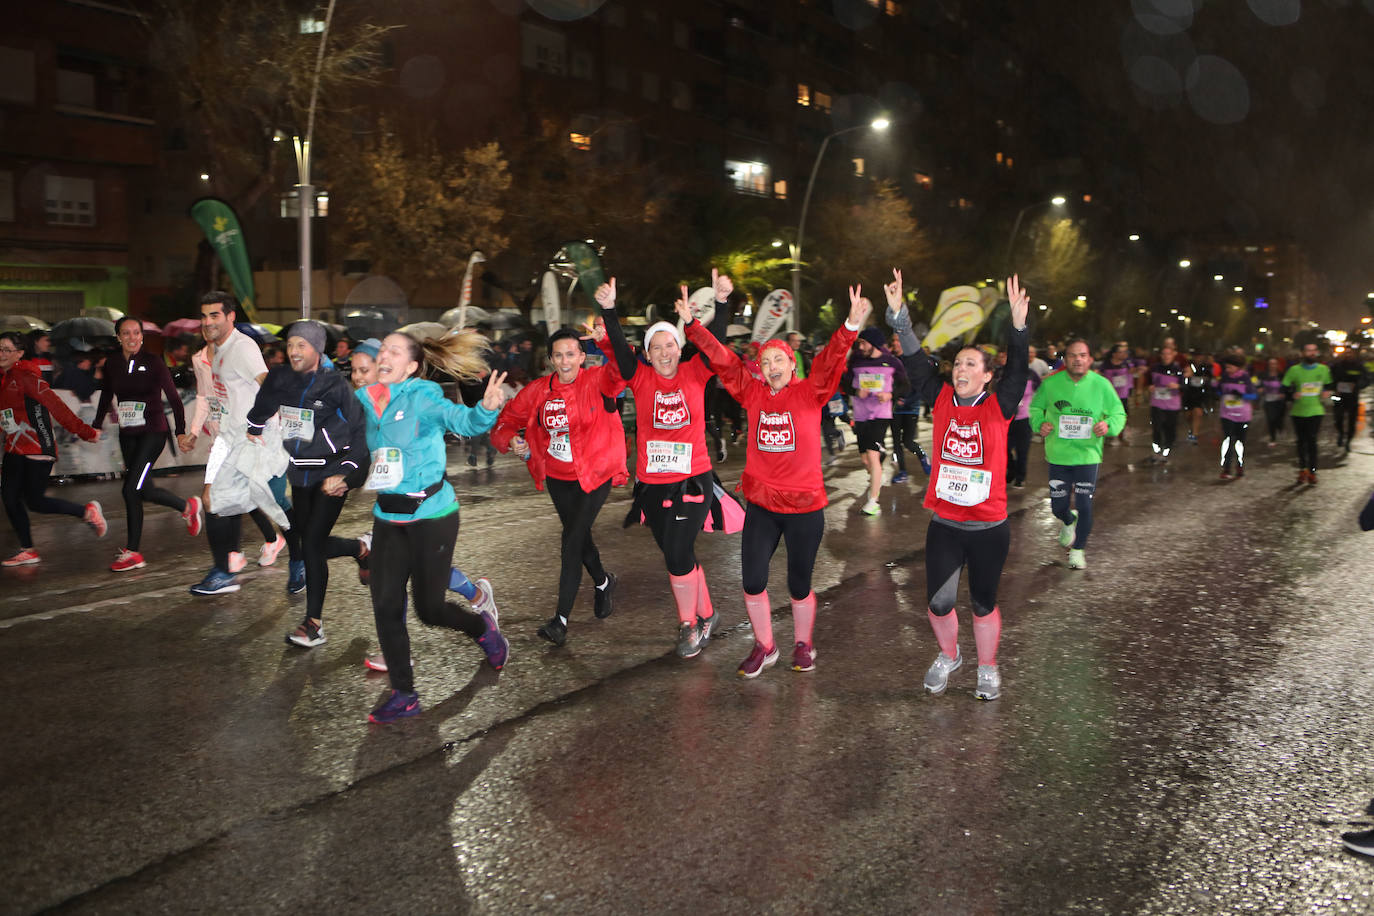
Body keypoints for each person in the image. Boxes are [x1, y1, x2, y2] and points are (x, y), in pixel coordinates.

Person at [682, 283, 865, 676]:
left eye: (778, 360)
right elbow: (724, 361)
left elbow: (832, 360)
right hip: (762, 506)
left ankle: (804, 643)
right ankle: (765, 646)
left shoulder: (811, 392)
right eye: (765, 363)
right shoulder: (752, 394)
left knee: (799, 585)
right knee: (752, 581)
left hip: (804, 508)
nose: (771, 367)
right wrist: (693, 327)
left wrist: (849, 326)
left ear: (792, 364)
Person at [888, 270, 1029, 701]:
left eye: (971, 364)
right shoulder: (943, 398)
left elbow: (1019, 369)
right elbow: (914, 362)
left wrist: (1018, 328)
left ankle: (987, 667)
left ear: (988, 376)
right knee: (938, 603)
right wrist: (899, 318)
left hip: (988, 526)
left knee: (983, 604)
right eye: (958, 363)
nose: (961, 368)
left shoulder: (1000, 403)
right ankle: (949, 655)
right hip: (947, 523)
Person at [358, 331, 510, 723]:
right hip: (388, 518)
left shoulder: (422, 396)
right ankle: (404, 694)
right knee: (386, 604)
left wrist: (486, 411)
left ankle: (484, 630)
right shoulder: (366, 398)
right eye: (382, 349)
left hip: (433, 515)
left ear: (410, 366)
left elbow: (461, 419)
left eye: (394, 350)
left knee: (429, 609)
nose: (384, 354)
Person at [599, 271, 732, 659]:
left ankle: (689, 624)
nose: (663, 352)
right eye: (655, 347)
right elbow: (621, 351)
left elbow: (716, 345)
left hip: (693, 480)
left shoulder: (695, 371)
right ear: (648, 352)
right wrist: (609, 310)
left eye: (669, 345)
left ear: (679, 347)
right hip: (652, 485)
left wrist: (721, 303)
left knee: (676, 555)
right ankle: (708, 614)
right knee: (678, 554)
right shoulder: (638, 377)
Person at [491, 326, 626, 646]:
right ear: (550, 359)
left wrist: (605, 337)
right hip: (559, 477)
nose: (565, 361)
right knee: (579, 538)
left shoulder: (597, 380)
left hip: (595, 472)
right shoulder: (538, 390)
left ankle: (560, 621)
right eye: (558, 355)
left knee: (571, 540)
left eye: (571, 354)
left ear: (582, 356)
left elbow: (624, 367)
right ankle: (604, 582)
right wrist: (512, 440)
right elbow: (504, 423)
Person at [246, 321, 370, 648]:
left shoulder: (335, 386)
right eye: (290, 345)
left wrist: (346, 475)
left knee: (312, 543)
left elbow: (360, 436)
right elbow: (264, 403)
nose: (293, 351)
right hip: (299, 473)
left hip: (331, 474)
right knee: (307, 541)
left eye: (301, 345)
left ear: (317, 349)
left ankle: (313, 623)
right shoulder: (281, 378)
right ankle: (360, 548)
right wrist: (254, 426)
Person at [180, 292, 300, 595]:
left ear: (231, 316)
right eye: (204, 316)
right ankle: (224, 571)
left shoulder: (242, 347)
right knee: (214, 502)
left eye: (215, 315)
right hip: (234, 440)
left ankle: (302, 559)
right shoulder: (217, 352)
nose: (207, 322)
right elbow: (217, 397)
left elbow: (268, 385)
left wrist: (268, 427)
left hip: (258, 440)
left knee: (276, 506)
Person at [92, 316, 202, 571]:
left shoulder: (153, 363)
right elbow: (106, 395)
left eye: (136, 333)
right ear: (118, 337)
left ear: (142, 336)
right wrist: (96, 425)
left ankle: (133, 552)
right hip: (127, 434)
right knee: (143, 490)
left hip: (153, 432)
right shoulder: (112, 364)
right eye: (126, 333)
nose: (132, 338)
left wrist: (181, 433)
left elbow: (174, 398)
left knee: (130, 490)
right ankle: (187, 506)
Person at [0, 331, 104, 565]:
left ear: (19, 353)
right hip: (14, 447)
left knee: (35, 501)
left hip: (38, 446)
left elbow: (58, 407)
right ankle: (28, 549)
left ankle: (86, 512)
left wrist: (85, 432)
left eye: (7, 349)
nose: (1, 354)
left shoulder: (27, 377)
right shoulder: (3, 379)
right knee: (9, 498)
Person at [1028, 338, 1126, 570]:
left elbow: (1118, 413)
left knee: (1085, 505)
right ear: (1065, 359)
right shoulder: (1051, 384)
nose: (1078, 359)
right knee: (1058, 507)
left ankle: (1078, 549)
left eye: (1082, 355)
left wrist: (1108, 426)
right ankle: (1068, 521)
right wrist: (1039, 423)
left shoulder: (1101, 385)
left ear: (1090, 359)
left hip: (1087, 456)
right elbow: (1034, 408)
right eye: (1073, 355)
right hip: (1058, 455)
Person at [843, 323, 909, 515]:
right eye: (860, 343)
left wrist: (890, 395)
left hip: (881, 414)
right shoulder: (855, 361)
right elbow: (843, 383)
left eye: (863, 343)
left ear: (874, 344)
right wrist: (856, 391)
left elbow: (905, 385)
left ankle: (874, 502)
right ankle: (877, 466)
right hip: (860, 414)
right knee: (866, 460)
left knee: (872, 456)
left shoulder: (892, 362)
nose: (860, 347)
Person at [1282, 341, 1332, 484]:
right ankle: (1302, 469)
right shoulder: (1294, 370)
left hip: (1316, 410)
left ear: (1317, 353)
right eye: (1308, 350)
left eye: (1314, 350)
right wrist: (1292, 394)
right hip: (1298, 412)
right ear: (1303, 353)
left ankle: (1312, 471)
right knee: (1300, 442)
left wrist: (1327, 392)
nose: (1311, 353)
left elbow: (1329, 385)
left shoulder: (1323, 369)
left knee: (1312, 440)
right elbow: (1284, 387)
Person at [889, 331, 932, 482]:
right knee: (895, 442)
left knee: (908, 441)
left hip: (910, 407)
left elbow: (919, 387)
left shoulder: (913, 362)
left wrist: (906, 400)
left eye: (898, 340)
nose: (895, 343)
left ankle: (922, 456)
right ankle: (902, 472)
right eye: (893, 340)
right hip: (893, 408)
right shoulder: (891, 360)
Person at [1215, 354, 1259, 480]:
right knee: (1228, 440)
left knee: (1239, 442)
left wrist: (1241, 395)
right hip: (1226, 414)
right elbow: (1218, 391)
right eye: (1226, 367)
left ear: (1238, 367)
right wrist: (1218, 391)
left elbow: (1254, 396)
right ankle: (1226, 468)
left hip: (1243, 415)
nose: (1227, 370)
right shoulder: (1224, 377)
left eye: (1230, 367)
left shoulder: (1245, 378)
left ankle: (1239, 465)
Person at [1144, 341, 1186, 464]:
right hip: (1157, 403)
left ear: (1173, 355)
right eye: (1164, 354)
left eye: (1169, 354)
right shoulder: (1155, 368)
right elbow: (1148, 380)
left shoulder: (1178, 369)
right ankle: (1156, 451)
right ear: (1161, 355)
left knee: (1170, 428)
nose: (1166, 356)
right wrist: (1150, 387)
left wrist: (1177, 385)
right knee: (1156, 427)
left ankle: (1166, 451)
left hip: (1172, 406)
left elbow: (1184, 385)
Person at [1096, 341, 1134, 446]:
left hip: (1123, 395)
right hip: (1109, 396)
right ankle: (1109, 434)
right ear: (1114, 354)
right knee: (1107, 415)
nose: (1124, 354)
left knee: (1124, 415)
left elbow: (1134, 373)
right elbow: (1098, 375)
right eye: (1121, 352)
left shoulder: (1127, 364)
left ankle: (1122, 435)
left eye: (1125, 352)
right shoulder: (1106, 365)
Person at [1329, 347, 1365, 451]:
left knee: (1352, 420)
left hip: (1353, 397)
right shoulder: (1336, 365)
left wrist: (1357, 386)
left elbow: (1366, 379)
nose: (1348, 355)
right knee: (1337, 417)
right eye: (1346, 353)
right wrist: (1334, 388)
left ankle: (1348, 440)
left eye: (1350, 353)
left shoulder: (1359, 366)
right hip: (1338, 395)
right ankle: (1340, 433)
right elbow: (1329, 378)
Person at [1259, 357, 1288, 447]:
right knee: (1271, 419)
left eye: (1274, 364)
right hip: (1268, 400)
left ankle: (1280, 428)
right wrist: (1260, 389)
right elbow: (1258, 384)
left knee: (1279, 418)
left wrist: (1284, 393)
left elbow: (1287, 386)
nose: (1272, 366)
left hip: (1280, 401)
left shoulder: (1281, 375)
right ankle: (1272, 438)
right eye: (1271, 364)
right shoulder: (1263, 375)